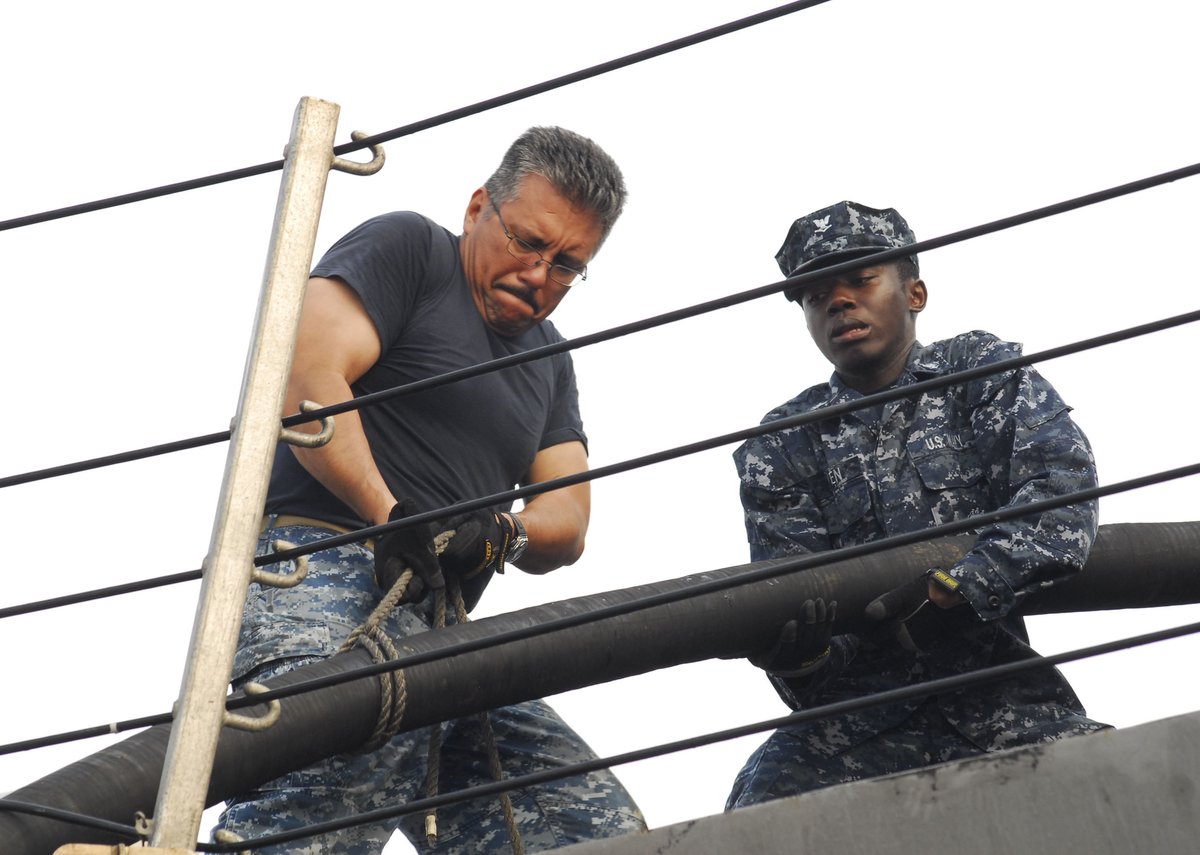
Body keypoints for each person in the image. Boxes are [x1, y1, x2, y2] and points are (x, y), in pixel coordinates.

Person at [216, 126, 646, 853]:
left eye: (568, 264)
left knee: (585, 823)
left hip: (442, 624)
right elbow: (306, 385)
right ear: (480, 207)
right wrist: (392, 517)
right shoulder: (410, 252)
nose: (540, 275)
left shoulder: (549, 359)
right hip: (322, 565)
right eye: (527, 243)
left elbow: (568, 517)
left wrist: (501, 531)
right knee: (344, 762)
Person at [727, 200, 1110, 808]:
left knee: (1121, 787)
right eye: (816, 295)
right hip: (854, 728)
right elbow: (796, 608)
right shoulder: (782, 443)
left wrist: (958, 589)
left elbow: (1062, 498)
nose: (839, 302)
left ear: (915, 293)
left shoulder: (979, 373)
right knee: (760, 810)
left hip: (1000, 697)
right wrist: (801, 658)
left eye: (860, 279)